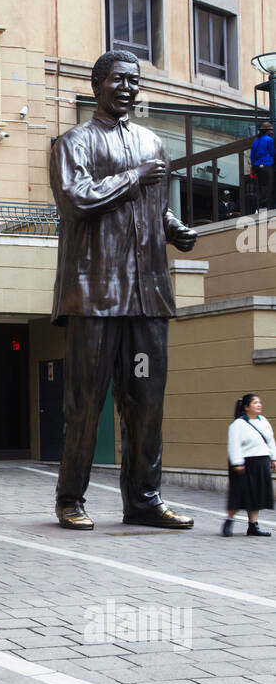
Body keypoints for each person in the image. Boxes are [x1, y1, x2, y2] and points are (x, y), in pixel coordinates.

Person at [50, 50, 199, 530]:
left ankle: (144, 500)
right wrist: (133, 178)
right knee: (85, 401)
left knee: (147, 401)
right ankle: (70, 498)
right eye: (119, 80)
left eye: (135, 81)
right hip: (95, 294)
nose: (129, 88)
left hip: (147, 294)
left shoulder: (154, 142)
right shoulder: (73, 142)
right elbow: (75, 199)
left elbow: (155, 209)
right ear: (97, 85)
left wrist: (175, 228)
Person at [223, 393, 276, 537]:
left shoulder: (263, 421)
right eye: (255, 403)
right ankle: (229, 520)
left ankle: (253, 525)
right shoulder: (237, 425)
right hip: (245, 463)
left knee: (256, 494)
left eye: (259, 402)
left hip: (261, 462)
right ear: (246, 407)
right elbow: (234, 446)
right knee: (240, 493)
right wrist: (237, 463)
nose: (259, 405)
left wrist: (273, 458)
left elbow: (270, 440)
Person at [250, 124, 275, 212]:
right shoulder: (269, 140)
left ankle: (260, 207)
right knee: (267, 186)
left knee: (260, 186)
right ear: (267, 131)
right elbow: (272, 152)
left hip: (257, 166)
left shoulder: (255, 142)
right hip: (266, 165)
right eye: (271, 130)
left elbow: (252, 156)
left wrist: (253, 168)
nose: (272, 132)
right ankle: (265, 206)